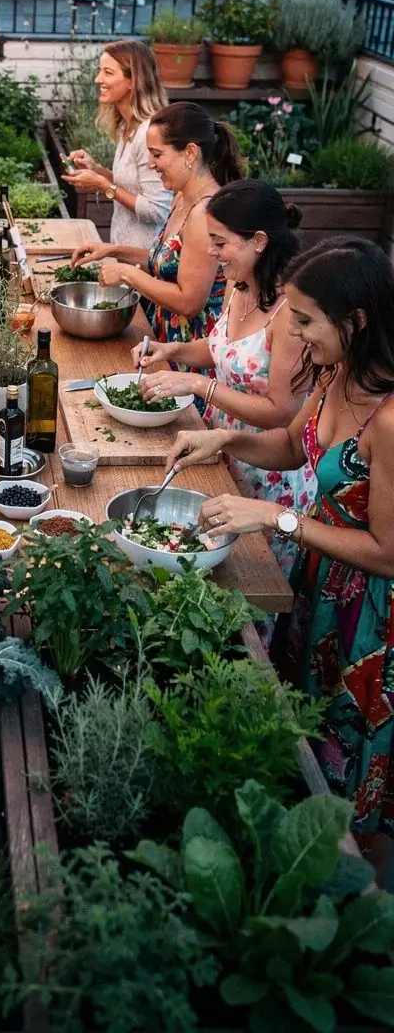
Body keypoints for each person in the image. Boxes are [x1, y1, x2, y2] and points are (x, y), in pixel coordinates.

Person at [166, 238, 394, 866]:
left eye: (304, 320)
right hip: (322, 587)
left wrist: (276, 516)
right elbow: (293, 447)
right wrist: (225, 439)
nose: (292, 333)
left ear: (357, 322)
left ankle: (361, 908)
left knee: (353, 778)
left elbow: (387, 552)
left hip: (370, 622)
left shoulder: (391, 418)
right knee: (309, 747)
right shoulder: (337, 373)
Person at [135, 179, 317, 597]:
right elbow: (223, 351)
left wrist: (200, 384)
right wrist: (173, 349)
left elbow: (283, 412)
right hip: (221, 451)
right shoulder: (241, 287)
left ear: (258, 241)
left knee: (249, 591)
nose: (211, 252)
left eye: (220, 242)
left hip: (270, 474)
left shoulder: (291, 313)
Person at [72, 101, 243, 346]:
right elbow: (169, 261)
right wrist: (112, 251)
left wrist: (127, 273)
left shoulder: (203, 213)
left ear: (190, 153)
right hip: (165, 339)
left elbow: (189, 302)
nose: (151, 164)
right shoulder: (182, 197)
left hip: (191, 351)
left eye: (157, 154)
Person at [62, 39, 171, 246]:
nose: (98, 79)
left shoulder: (150, 133)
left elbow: (157, 211)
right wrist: (97, 170)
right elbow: (132, 186)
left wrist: (103, 185)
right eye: (99, 71)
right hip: (124, 257)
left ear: (133, 81)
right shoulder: (129, 127)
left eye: (108, 73)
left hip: (145, 262)